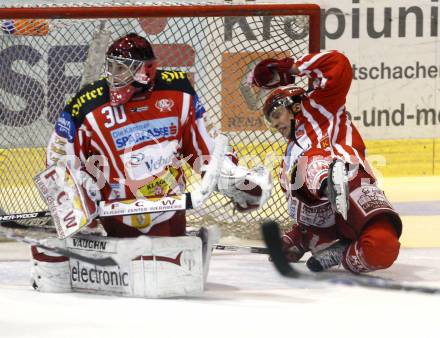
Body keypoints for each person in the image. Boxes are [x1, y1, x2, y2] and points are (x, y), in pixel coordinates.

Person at [30, 33, 271, 296]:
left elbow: (204, 148)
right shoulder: (86, 104)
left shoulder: (180, 92)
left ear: (146, 70)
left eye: (122, 68)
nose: (113, 74)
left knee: (172, 289)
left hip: (169, 209)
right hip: (118, 214)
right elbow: (57, 160)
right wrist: (78, 190)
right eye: (111, 66)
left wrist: (230, 176)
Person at [249, 50, 402, 273]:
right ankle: (333, 246)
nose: (275, 125)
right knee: (300, 168)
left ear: (295, 105)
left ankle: (333, 190)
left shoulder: (320, 107)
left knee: (382, 249)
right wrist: (299, 236)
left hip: (353, 184)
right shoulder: (288, 157)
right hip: (325, 222)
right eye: (270, 121)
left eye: (276, 115)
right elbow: (300, 202)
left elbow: (339, 64)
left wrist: (290, 68)